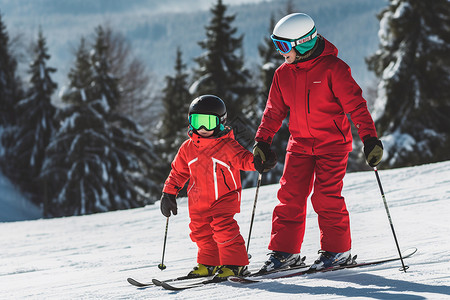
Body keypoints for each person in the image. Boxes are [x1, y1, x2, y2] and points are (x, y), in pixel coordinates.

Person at [252, 13, 384, 273]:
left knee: (326, 197)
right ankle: (285, 252)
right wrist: (262, 140)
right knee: (289, 197)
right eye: (277, 46)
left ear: (301, 44)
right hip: (299, 145)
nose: (280, 53)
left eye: (284, 46)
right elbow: (273, 111)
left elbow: (356, 106)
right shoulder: (283, 74)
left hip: (332, 145)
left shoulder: (334, 69)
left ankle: (337, 251)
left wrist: (369, 139)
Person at [160, 95, 256, 279]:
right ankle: (209, 263)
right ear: (190, 121)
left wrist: (258, 162)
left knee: (223, 228)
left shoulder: (227, 145)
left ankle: (236, 264)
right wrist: (168, 193)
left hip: (224, 198)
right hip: (198, 202)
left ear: (220, 122)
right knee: (200, 231)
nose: (202, 128)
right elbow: (178, 172)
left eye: (208, 122)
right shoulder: (187, 148)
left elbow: (244, 159)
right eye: (197, 122)